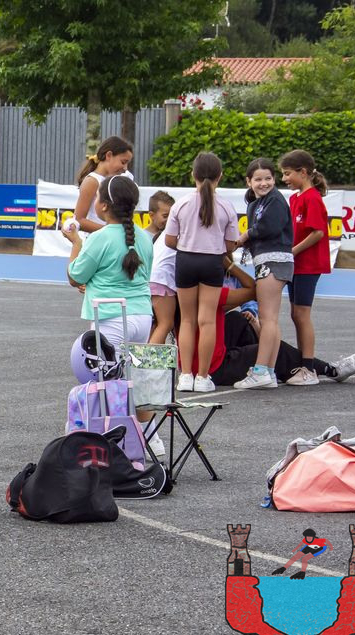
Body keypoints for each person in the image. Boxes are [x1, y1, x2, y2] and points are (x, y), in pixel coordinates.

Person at [63, 175, 162, 456]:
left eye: (97, 198)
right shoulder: (144, 238)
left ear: (104, 205)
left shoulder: (100, 238)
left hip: (110, 316)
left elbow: (75, 275)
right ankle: (149, 438)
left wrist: (75, 242)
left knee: (108, 384)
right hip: (141, 315)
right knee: (135, 379)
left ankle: (111, 444)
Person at [180, 259, 355, 387]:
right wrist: (229, 264)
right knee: (274, 350)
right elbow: (253, 289)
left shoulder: (181, 291)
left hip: (191, 364)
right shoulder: (214, 295)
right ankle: (329, 369)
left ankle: (261, 357)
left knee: (238, 319)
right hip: (215, 368)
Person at [165, 152, 239, 393]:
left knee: (186, 320)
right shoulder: (226, 206)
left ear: (192, 174)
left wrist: (189, 244)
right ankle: (203, 376)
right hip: (212, 262)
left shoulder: (181, 204)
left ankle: (185, 375)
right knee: (207, 321)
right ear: (220, 176)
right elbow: (231, 245)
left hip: (185, 260)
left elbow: (169, 240)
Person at [232, 158, 293, 390]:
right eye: (258, 179)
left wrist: (245, 235)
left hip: (274, 261)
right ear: (249, 181)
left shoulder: (275, 200)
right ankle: (268, 371)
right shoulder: (256, 202)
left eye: (268, 178)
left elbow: (269, 227)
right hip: (268, 261)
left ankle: (260, 371)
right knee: (271, 320)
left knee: (267, 319)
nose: (264, 183)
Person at [281, 149, 331, 387]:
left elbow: (318, 232)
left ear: (303, 172)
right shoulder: (295, 198)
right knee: (295, 314)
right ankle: (304, 363)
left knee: (301, 314)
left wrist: (293, 251)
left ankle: (309, 368)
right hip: (297, 265)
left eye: (287, 173)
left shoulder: (312, 198)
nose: (284, 179)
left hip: (307, 265)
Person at [74, 136, 134, 233]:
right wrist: (112, 231)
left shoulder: (117, 179)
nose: (125, 168)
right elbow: (79, 219)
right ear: (109, 155)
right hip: (97, 238)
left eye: (127, 164)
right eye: (123, 162)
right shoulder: (92, 181)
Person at [147, 190, 177, 344]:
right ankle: (148, 358)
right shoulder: (173, 232)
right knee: (166, 324)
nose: (169, 220)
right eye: (165, 216)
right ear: (151, 215)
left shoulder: (164, 234)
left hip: (153, 279)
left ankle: (144, 357)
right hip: (162, 280)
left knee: (156, 324)